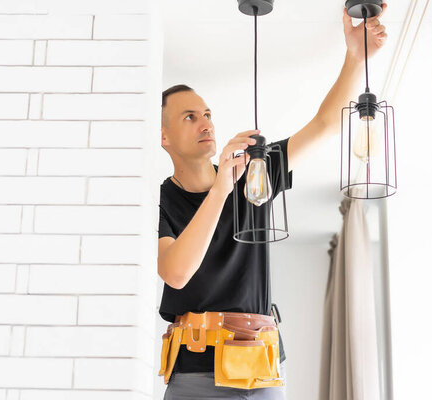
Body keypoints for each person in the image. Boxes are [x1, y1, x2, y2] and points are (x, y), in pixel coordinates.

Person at [157, 5, 388, 399]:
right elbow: (176, 272)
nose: (206, 123)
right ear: (164, 137)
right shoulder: (159, 198)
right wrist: (220, 191)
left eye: (208, 113)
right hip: (197, 374)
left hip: (262, 369)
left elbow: (327, 124)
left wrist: (355, 58)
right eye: (190, 117)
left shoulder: (256, 173)